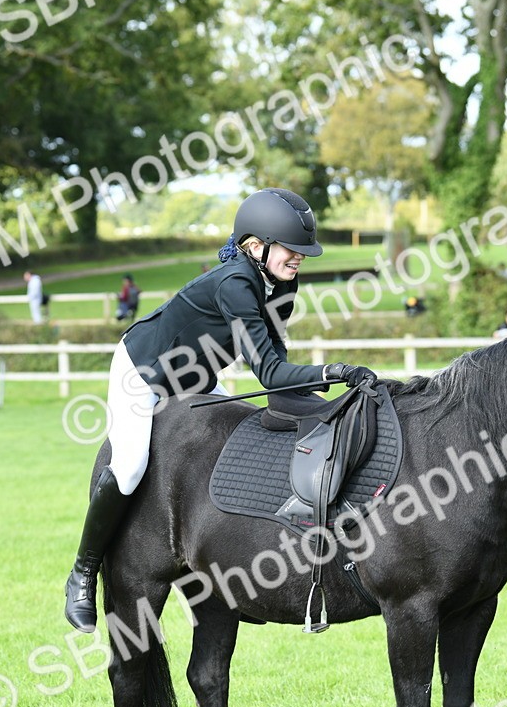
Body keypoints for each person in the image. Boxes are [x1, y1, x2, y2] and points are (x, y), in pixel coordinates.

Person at [63, 187, 378, 633]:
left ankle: (225, 566)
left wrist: (325, 405)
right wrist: (332, 369)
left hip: (196, 378)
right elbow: (269, 373)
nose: (299, 258)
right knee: (131, 465)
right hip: (144, 371)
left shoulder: (281, 282)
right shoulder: (236, 283)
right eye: (292, 249)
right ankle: (82, 573)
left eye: (303, 252)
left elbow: (278, 363)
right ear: (256, 246)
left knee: (235, 440)